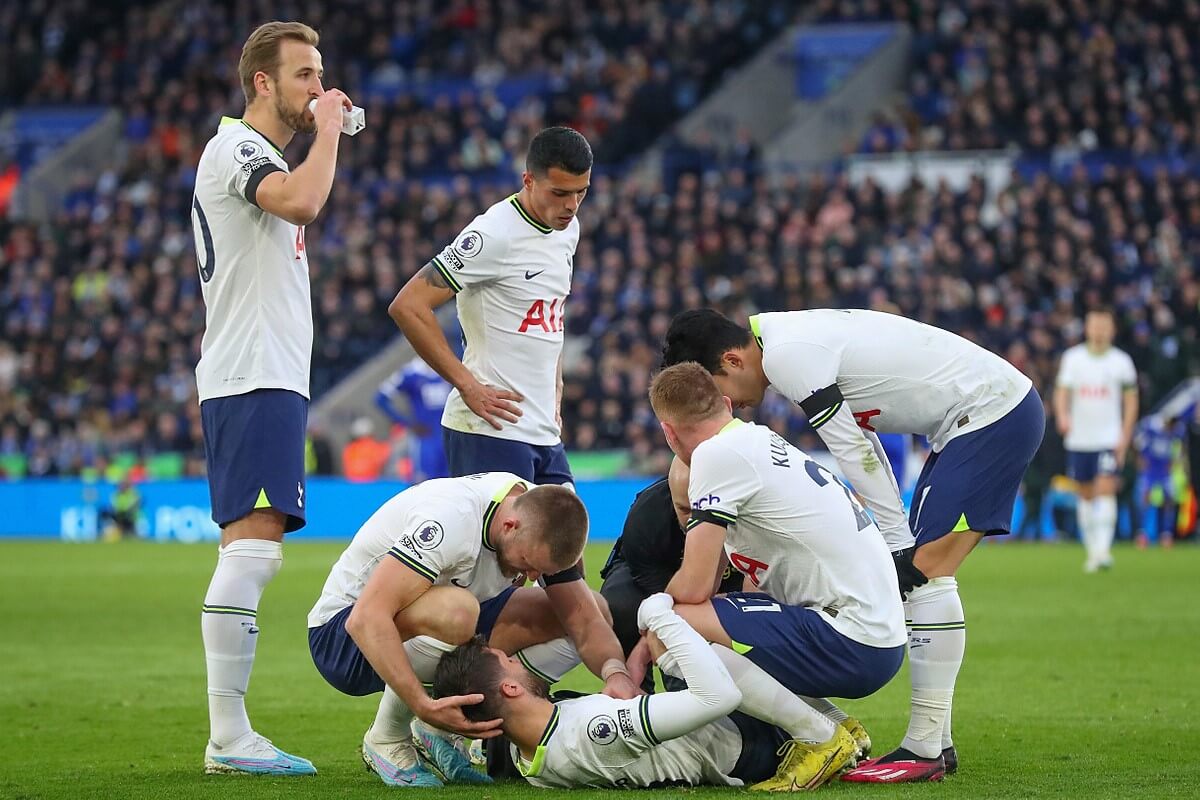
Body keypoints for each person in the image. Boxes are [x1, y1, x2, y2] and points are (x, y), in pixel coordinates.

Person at [662, 309, 1045, 782]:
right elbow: (863, 439)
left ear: (732, 359)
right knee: (922, 572)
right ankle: (933, 744)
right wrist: (895, 535)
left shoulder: (787, 356)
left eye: (723, 391)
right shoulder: (789, 338)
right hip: (975, 417)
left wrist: (897, 539)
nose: (730, 405)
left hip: (990, 413)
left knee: (924, 573)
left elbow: (851, 449)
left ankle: (925, 748)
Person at [191, 20, 353, 776]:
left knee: (255, 550)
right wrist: (328, 134)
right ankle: (229, 737)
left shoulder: (249, 152)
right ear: (262, 82)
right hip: (252, 373)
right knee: (253, 552)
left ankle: (232, 735)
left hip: (263, 374)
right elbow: (300, 201)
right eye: (304, 76)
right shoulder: (241, 150)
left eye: (319, 77)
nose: (317, 90)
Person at [642, 362, 910, 789]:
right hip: (879, 635)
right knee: (708, 619)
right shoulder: (758, 440)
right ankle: (841, 727)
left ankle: (820, 739)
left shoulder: (715, 454)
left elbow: (692, 588)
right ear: (726, 404)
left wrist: (652, 609)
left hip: (856, 639)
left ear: (669, 433)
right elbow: (729, 591)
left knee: (669, 625)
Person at [307, 473, 630, 787]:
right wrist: (422, 705)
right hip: (344, 640)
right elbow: (365, 618)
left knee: (589, 608)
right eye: (528, 562)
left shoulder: (546, 517)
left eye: (540, 570)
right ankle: (387, 737)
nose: (532, 575)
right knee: (457, 611)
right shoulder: (451, 520)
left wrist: (616, 674)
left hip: (435, 621)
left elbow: (586, 622)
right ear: (509, 526)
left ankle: (439, 734)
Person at [434, 593, 863, 790]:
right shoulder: (592, 729)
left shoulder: (532, 758)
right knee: (686, 646)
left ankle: (840, 729)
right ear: (509, 687)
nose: (518, 660)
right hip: (747, 744)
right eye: (511, 660)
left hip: (718, 739)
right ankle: (823, 734)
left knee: (685, 655)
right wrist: (660, 615)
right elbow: (718, 699)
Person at [388, 125, 590, 487]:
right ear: (528, 180)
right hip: (490, 429)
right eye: (559, 193)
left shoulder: (567, 230)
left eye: (581, 193)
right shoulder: (493, 235)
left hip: (544, 428)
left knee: (565, 539)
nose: (571, 206)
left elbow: (549, 314)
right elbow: (408, 305)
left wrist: (555, 383)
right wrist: (468, 385)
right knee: (499, 544)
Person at [1054, 308, 1139, 572]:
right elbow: (1061, 392)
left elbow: (1131, 400)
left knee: (1106, 489)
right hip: (1080, 438)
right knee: (1086, 494)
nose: (1099, 330)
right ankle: (1092, 551)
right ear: (1087, 328)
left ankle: (1103, 550)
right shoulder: (1073, 359)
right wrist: (1062, 416)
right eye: (1094, 325)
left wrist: (1125, 434)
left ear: (1112, 329)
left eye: (1104, 325)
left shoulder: (1121, 362)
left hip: (1108, 437)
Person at [376, 356, 453, 481]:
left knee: (450, 484)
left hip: (448, 440)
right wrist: (408, 423)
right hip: (425, 441)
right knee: (425, 485)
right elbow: (380, 398)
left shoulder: (449, 368)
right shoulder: (410, 373)